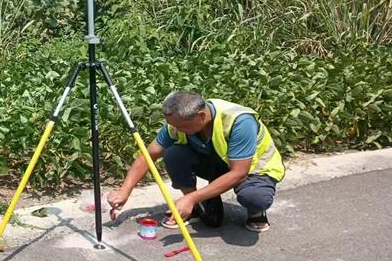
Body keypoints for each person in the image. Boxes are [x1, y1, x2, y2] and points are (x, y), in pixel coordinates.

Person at [107, 91, 286, 232]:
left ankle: (255, 212)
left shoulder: (240, 122)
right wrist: (125, 190)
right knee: (174, 154)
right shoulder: (179, 121)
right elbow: (148, 155)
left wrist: (192, 198)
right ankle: (195, 207)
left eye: (181, 126)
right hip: (218, 164)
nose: (176, 130)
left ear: (201, 116)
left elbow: (239, 173)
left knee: (255, 198)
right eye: (173, 125)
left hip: (253, 171)